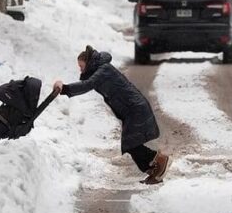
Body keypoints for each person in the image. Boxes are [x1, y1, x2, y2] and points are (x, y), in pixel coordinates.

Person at [53, 45, 171, 184]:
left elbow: (87, 84)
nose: (80, 69)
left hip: (135, 109)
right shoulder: (100, 70)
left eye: (81, 66)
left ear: (88, 62)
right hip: (132, 109)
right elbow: (87, 82)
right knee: (130, 143)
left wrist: (65, 88)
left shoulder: (104, 70)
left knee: (131, 143)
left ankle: (159, 160)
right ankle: (153, 170)